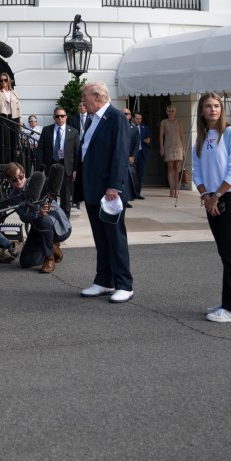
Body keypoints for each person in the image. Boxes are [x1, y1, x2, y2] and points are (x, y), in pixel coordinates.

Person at [191, 93, 231, 323]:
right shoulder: (202, 137)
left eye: (216, 106)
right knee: (224, 252)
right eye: (208, 106)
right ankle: (228, 301)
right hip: (212, 198)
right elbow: (196, 171)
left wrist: (216, 196)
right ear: (202, 110)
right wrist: (206, 195)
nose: (213, 109)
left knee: (229, 250)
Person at [74, 81, 134, 303]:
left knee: (115, 238)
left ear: (97, 97)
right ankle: (104, 280)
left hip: (108, 190)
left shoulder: (116, 118)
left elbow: (120, 153)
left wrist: (114, 186)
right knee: (101, 238)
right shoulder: (93, 119)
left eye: (85, 97)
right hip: (93, 188)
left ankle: (124, 284)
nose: (83, 101)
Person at [6, 162, 71, 274]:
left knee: (43, 220)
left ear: (24, 173)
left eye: (21, 177)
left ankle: (49, 258)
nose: (19, 181)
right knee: (26, 262)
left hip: (57, 225)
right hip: (38, 227)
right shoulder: (13, 196)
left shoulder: (37, 181)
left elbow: (50, 190)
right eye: (14, 180)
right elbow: (24, 217)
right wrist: (37, 213)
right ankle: (52, 248)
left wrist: (44, 207)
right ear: (9, 181)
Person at [39, 106, 78, 216]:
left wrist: (76, 169)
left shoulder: (73, 132)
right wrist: (41, 167)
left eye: (62, 116)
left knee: (66, 195)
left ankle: (65, 220)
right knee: (50, 194)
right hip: (51, 165)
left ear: (66, 117)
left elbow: (76, 152)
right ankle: (52, 216)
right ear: (54, 117)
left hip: (66, 167)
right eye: (57, 116)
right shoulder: (47, 130)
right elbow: (40, 149)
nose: (60, 118)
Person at [0, 73, 21, 165]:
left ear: (9, 81)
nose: (3, 82)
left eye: (5, 80)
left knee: (14, 143)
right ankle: (5, 164)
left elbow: (19, 109)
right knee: (5, 142)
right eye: (1, 80)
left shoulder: (14, 93)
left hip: (14, 118)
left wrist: (20, 123)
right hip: (3, 118)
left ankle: (14, 164)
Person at [160, 103, 186, 200]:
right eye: (169, 111)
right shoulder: (164, 122)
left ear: (175, 112)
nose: (171, 113)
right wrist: (162, 148)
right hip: (168, 146)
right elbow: (161, 136)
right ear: (167, 112)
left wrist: (183, 149)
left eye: (172, 111)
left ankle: (177, 189)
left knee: (177, 168)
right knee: (170, 167)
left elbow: (182, 136)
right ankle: (171, 188)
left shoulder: (179, 122)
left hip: (178, 146)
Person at [133, 111, 151, 199]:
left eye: (140, 119)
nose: (139, 120)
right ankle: (131, 193)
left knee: (140, 174)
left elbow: (150, 140)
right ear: (133, 118)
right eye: (137, 118)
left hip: (142, 153)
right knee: (132, 175)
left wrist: (149, 141)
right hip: (132, 154)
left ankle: (138, 193)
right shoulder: (129, 127)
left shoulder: (145, 128)